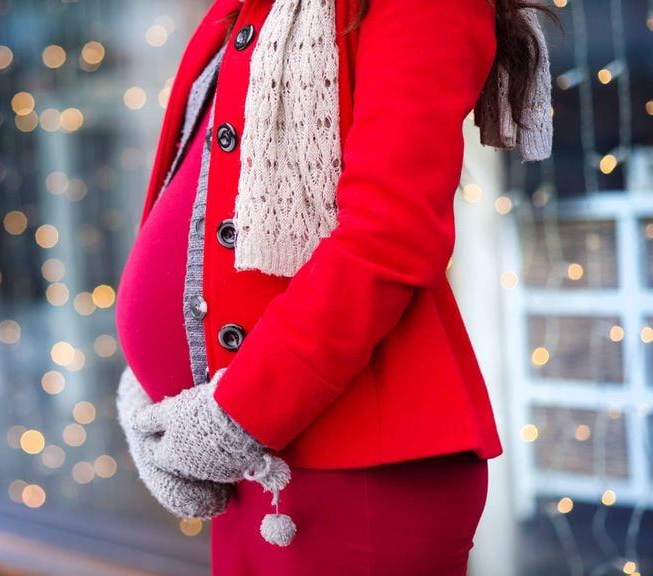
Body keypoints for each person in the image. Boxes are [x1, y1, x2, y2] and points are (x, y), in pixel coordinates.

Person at [115, 0, 560, 573]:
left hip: (348, 468)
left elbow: (389, 239)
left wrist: (234, 417)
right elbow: (198, 187)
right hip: (263, 462)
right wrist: (146, 391)